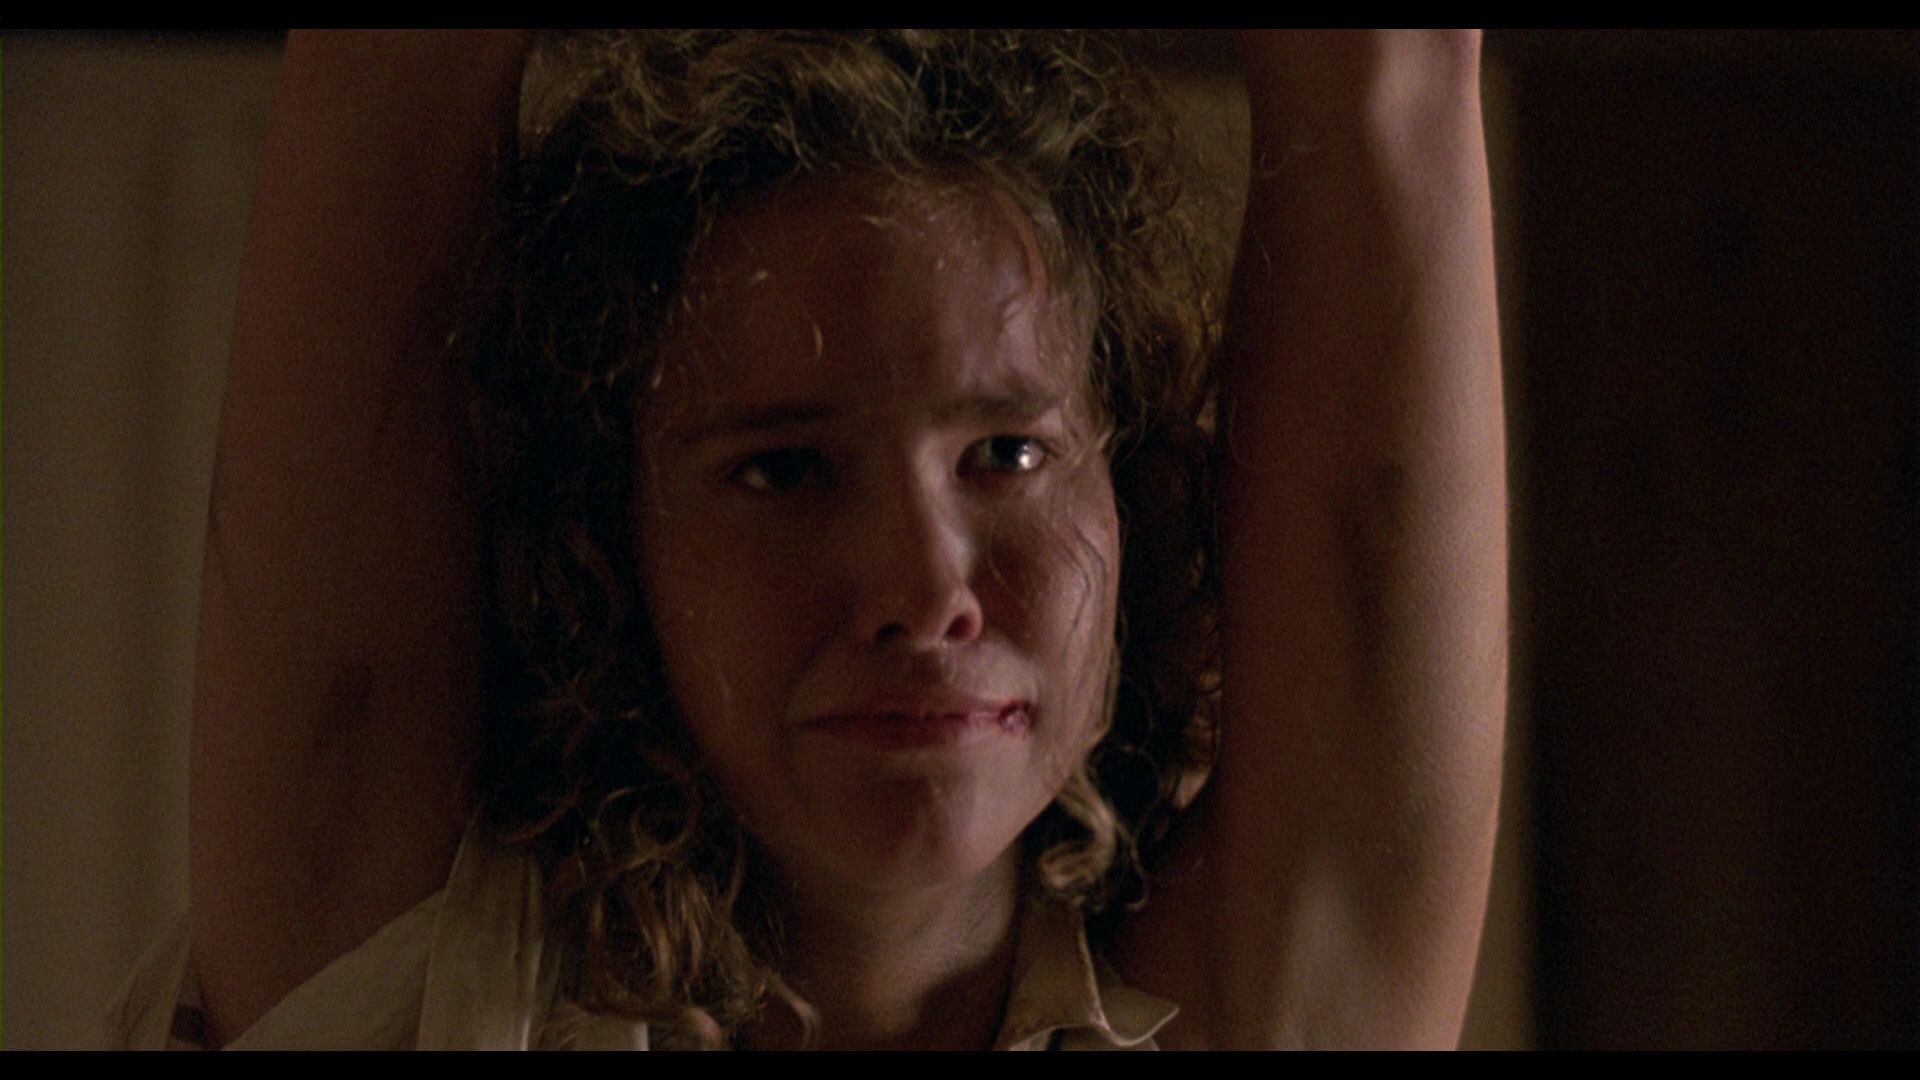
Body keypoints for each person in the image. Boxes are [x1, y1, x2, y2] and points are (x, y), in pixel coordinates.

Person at [111, 28, 1507, 1050]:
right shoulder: (423, 993)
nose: (925, 586)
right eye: (783, 470)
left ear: (1132, 498)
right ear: (612, 543)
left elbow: (1389, 75)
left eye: (1008, 454)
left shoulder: (1264, 1007)